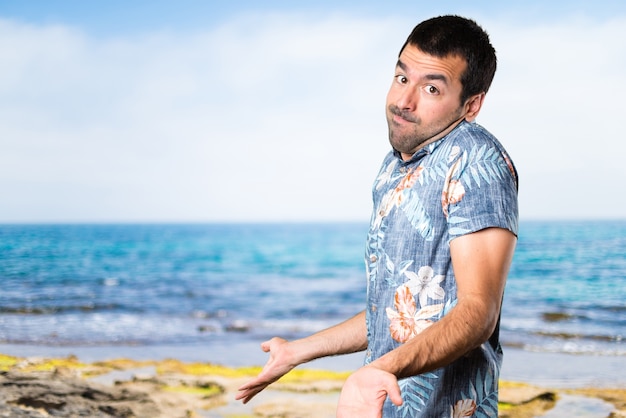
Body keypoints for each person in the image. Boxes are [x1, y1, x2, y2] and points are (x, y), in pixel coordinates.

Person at [236, 15, 518, 417]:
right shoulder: (393, 168)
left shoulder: (477, 160)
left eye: (432, 88)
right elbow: (389, 315)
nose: (404, 101)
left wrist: (378, 369)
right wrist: (297, 352)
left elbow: (478, 313)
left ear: (471, 105)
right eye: (402, 78)